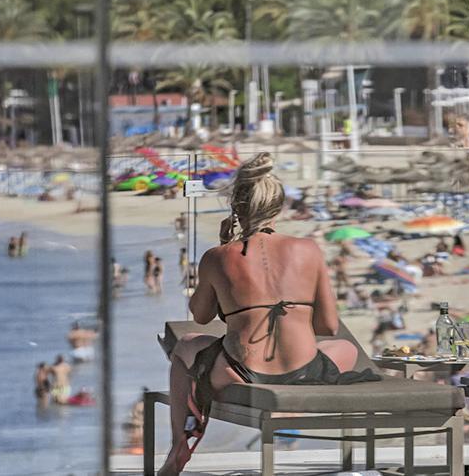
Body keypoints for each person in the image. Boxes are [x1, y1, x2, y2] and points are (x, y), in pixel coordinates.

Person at [159, 152, 377, 476]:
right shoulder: (309, 249)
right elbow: (329, 326)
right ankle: (289, 409)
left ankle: (180, 441)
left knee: (185, 346)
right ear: (279, 207)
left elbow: (201, 316)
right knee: (345, 348)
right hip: (304, 372)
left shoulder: (217, 256)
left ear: (236, 208)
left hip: (241, 371)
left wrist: (223, 261)